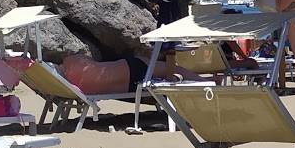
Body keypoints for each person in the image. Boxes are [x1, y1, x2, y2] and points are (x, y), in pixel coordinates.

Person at [59, 51, 195, 95]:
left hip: (130, 86)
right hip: (130, 67)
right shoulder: (70, 61)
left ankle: (201, 81)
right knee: (171, 69)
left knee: (168, 73)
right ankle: (205, 80)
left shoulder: (76, 87)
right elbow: (90, 58)